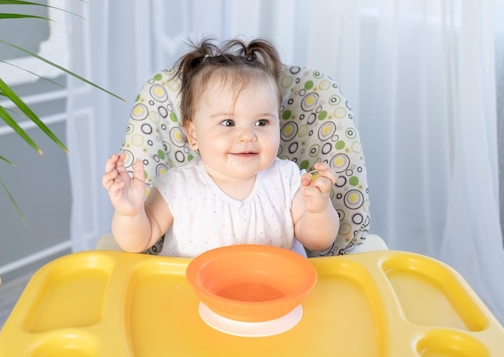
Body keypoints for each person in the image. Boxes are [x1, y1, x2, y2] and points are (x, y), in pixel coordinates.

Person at [102, 37, 339, 257]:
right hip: (192, 295)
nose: (248, 135)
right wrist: (130, 213)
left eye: (262, 122)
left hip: (271, 297)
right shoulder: (177, 186)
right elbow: (137, 242)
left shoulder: (287, 181)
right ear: (193, 135)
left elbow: (318, 241)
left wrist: (317, 210)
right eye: (228, 122)